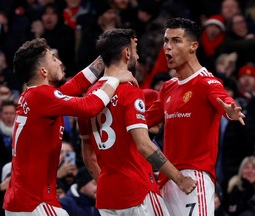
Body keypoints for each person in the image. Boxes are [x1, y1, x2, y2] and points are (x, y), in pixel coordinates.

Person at [3, 38, 137, 216]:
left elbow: (77, 84)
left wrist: (108, 53)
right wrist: (114, 79)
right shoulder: (42, 96)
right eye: (53, 58)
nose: (59, 62)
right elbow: (89, 106)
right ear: (43, 71)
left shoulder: (34, 96)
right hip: (35, 202)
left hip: (20, 201)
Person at [78, 28, 197, 216]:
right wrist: (180, 179)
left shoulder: (89, 98)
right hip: (138, 191)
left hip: (107, 196)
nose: (138, 56)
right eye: (135, 50)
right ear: (126, 53)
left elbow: (88, 157)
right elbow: (143, 144)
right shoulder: (130, 90)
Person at [145, 17, 245, 216]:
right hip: (167, 179)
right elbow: (142, 121)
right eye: (166, 41)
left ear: (193, 46)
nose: (168, 47)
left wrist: (231, 111)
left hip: (193, 178)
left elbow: (224, 101)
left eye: (176, 41)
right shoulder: (168, 87)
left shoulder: (207, 82)